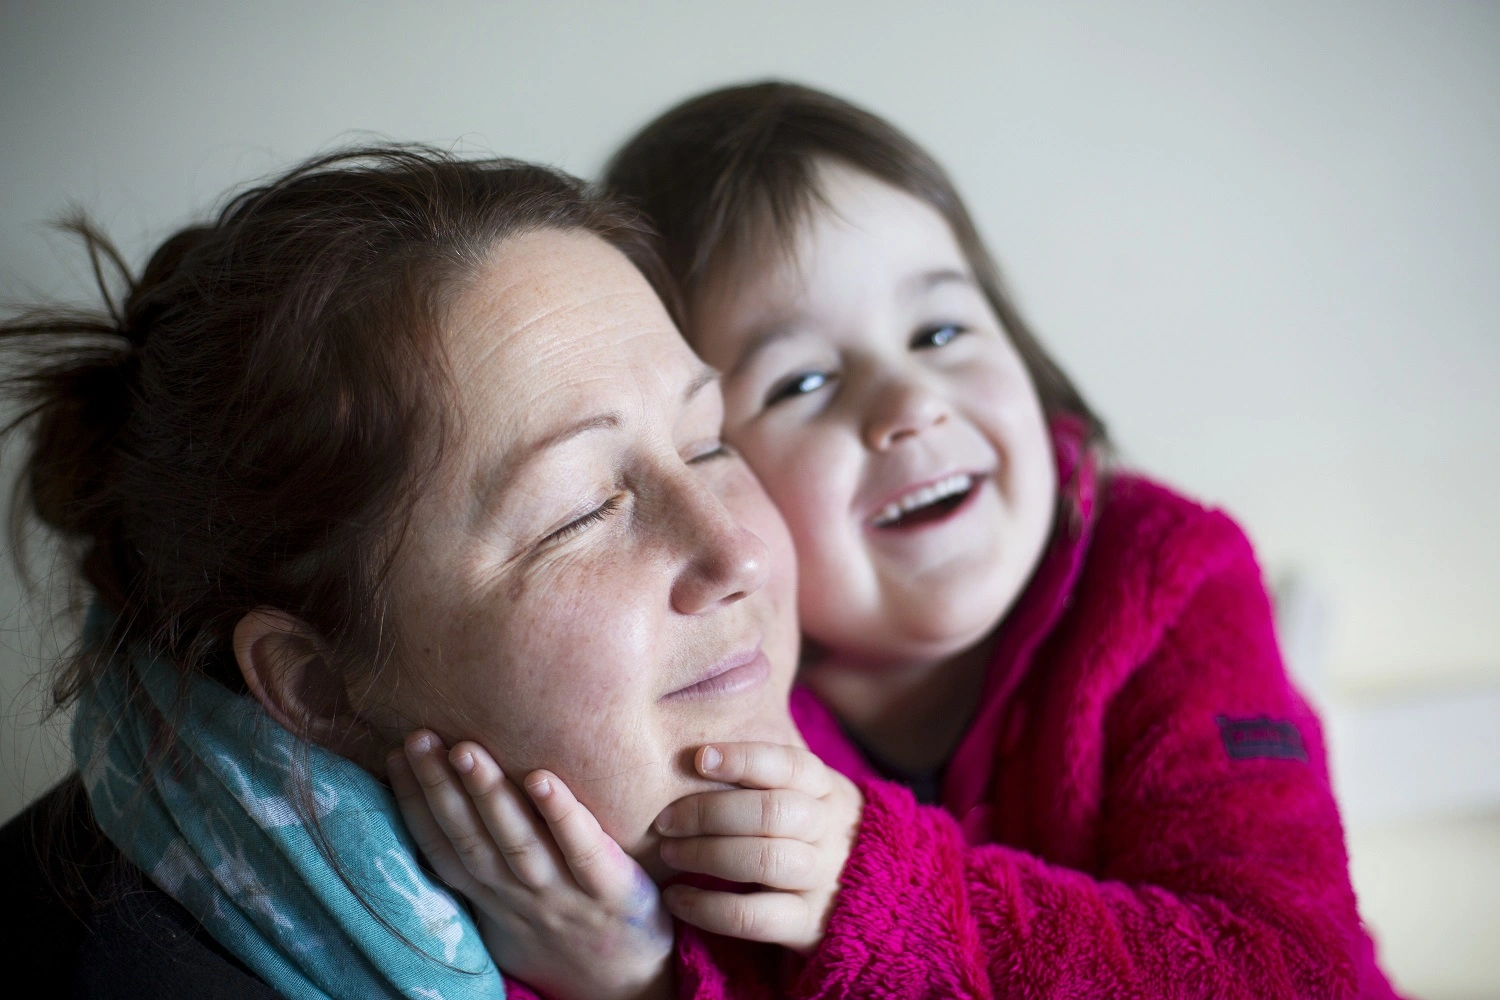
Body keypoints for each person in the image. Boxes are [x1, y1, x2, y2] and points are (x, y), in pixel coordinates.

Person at [582, 81, 1404, 998]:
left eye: (938, 331)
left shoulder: (1168, 582)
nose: (910, 403)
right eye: (803, 383)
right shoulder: (712, 704)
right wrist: (627, 975)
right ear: (702, 472)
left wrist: (885, 892)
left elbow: (1291, 970)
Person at [0, 145, 855, 999]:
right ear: (318, 686)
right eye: (582, 512)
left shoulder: (840, 758)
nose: (736, 550)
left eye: (708, 444)